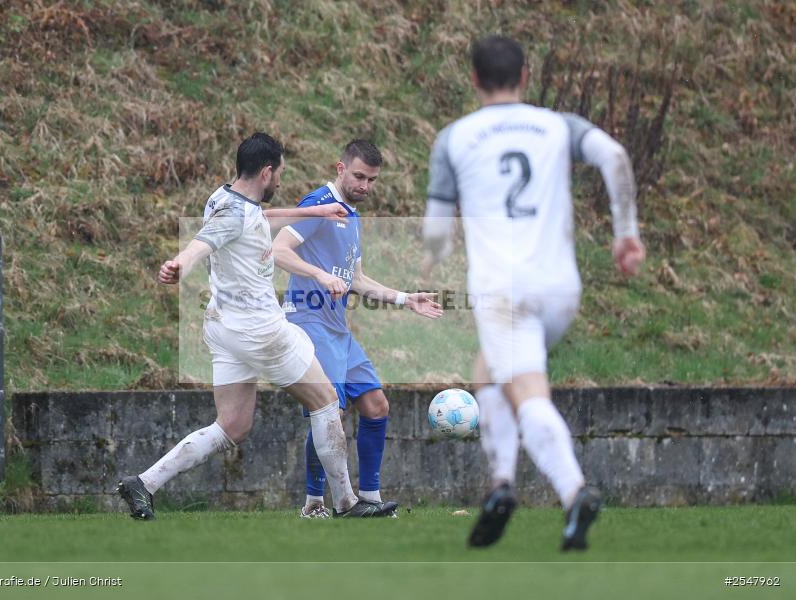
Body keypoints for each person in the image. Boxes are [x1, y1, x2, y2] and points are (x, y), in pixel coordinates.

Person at [422, 36, 645, 550]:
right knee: (488, 373)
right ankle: (500, 486)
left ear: (473, 79)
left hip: (506, 291)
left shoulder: (455, 138)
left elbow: (436, 228)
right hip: (561, 288)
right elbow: (614, 155)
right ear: (526, 75)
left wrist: (433, 253)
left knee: (525, 391)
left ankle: (574, 492)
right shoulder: (556, 125)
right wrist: (625, 232)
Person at [117, 133, 398, 520]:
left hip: (222, 328)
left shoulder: (223, 197)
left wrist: (316, 213)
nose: (281, 181)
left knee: (231, 426)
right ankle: (346, 502)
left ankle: (143, 483)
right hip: (260, 329)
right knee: (327, 401)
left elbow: (257, 218)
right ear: (267, 171)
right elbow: (205, 241)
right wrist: (181, 262)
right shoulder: (233, 215)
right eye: (279, 173)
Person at [273, 140, 443, 518]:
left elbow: (357, 279)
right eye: (359, 176)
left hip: (338, 329)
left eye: (372, 179)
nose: (365, 185)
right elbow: (278, 249)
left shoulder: (352, 216)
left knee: (376, 405)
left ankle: (369, 498)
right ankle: (314, 504)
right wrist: (317, 274)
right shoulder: (319, 205)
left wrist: (405, 299)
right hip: (308, 320)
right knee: (328, 411)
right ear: (340, 168)